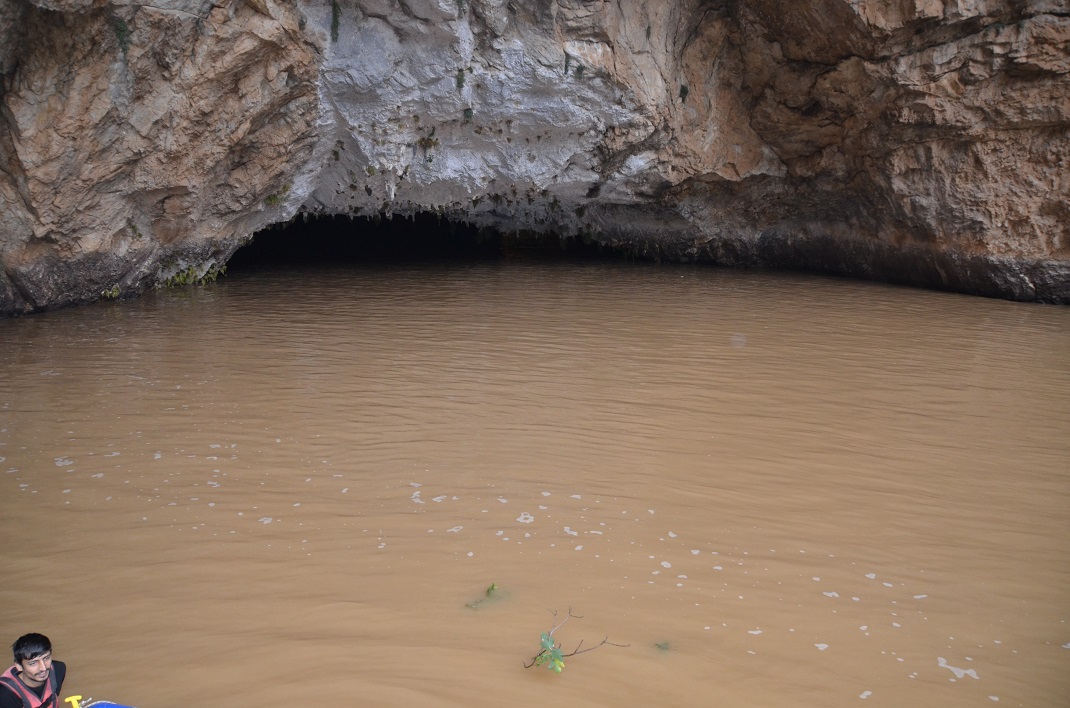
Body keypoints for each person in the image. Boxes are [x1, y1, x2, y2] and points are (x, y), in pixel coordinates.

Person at [0, 634, 65, 708]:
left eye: (46, 658)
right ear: (19, 666)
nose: (43, 668)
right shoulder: (5, 695)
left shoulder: (58, 669)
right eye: (33, 663)